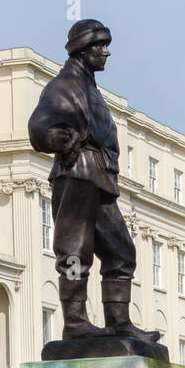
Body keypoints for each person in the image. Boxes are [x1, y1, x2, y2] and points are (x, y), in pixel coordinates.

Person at [28, 19, 160, 345]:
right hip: (76, 175)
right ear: (83, 50)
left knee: (121, 251)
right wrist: (58, 138)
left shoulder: (89, 88)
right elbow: (39, 126)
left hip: (99, 177)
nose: (107, 52)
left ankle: (119, 322)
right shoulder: (63, 87)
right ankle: (75, 322)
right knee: (74, 253)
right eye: (100, 46)